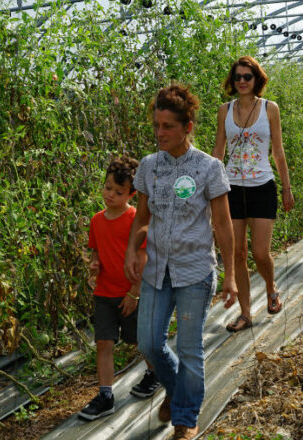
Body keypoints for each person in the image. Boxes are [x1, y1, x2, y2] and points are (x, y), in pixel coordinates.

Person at [124, 83, 237, 440]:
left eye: (168, 126)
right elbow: (141, 217)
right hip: (157, 270)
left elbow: (222, 224)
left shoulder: (209, 168)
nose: (160, 133)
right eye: (156, 126)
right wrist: (133, 249)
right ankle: (176, 392)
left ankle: (186, 420)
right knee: (148, 343)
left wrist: (231, 275)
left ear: (187, 127)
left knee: (190, 348)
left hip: (195, 271)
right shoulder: (148, 167)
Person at [212, 56, 294, 333]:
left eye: (248, 76)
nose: (243, 81)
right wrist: (210, 189)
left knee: (260, 253)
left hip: (262, 185)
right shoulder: (225, 110)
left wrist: (286, 188)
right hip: (232, 188)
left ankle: (271, 287)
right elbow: (218, 151)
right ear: (232, 82)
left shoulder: (270, 109)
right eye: (238, 77)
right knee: (237, 253)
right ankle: (246, 313)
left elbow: (278, 151)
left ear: (257, 79)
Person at [79, 156, 158, 421]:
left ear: (132, 194)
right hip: (104, 293)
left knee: (139, 340)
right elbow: (98, 251)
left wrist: (134, 292)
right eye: (108, 187)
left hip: (130, 293)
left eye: (118, 191)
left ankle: (154, 373)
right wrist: (95, 263)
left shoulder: (136, 219)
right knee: (103, 342)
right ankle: (105, 395)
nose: (110, 194)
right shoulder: (96, 220)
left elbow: (144, 256)